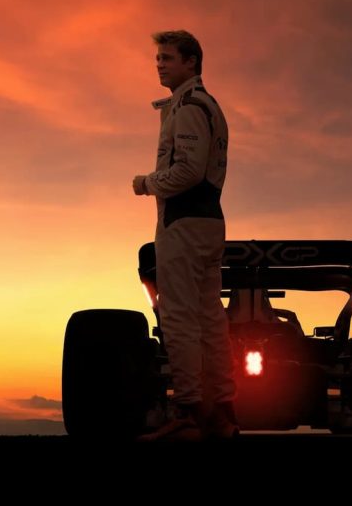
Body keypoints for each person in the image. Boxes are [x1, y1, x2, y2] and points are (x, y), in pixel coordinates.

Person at [132, 30, 238, 441]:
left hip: (184, 224)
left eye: (168, 58)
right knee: (210, 318)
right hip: (208, 222)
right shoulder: (205, 105)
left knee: (178, 317)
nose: (159, 65)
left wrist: (146, 183)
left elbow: (189, 172)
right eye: (157, 58)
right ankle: (222, 414)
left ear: (191, 62)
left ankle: (192, 413)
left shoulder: (190, 107)